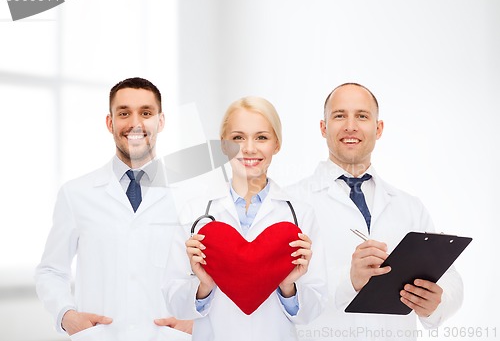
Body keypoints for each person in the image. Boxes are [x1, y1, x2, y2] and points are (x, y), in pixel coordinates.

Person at [287, 83, 463, 341]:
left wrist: (437, 303)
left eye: (361, 116)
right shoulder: (291, 203)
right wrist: (349, 281)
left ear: (378, 129)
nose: (350, 126)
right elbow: (282, 295)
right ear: (323, 128)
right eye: (339, 116)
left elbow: (451, 279)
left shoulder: (409, 206)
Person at [35, 77, 192, 341]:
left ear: (160, 122)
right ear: (110, 123)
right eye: (123, 113)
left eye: (146, 112)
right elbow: (51, 270)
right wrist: (67, 316)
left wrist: (198, 322)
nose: (135, 123)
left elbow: (214, 275)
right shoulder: (77, 194)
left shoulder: (191, 196)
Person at [163, 96, 328, 341]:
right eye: (238, 138)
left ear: (277, 144)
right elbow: (174, 302)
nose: (249, 148)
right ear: (223, 145)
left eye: (261, 137)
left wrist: (288, 285)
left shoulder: (300, 215)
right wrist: (204, 286)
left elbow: (313, 309)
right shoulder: (194, 213)